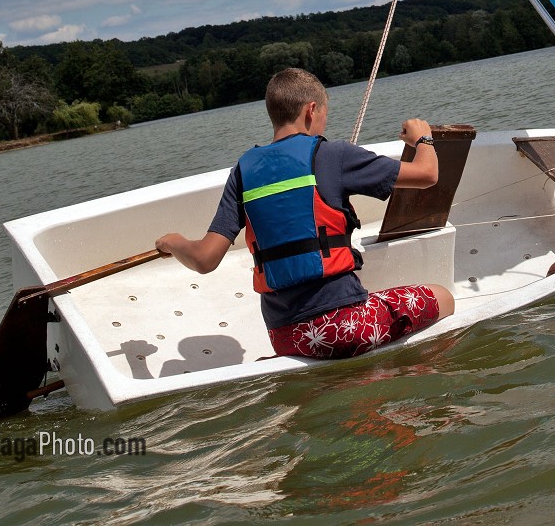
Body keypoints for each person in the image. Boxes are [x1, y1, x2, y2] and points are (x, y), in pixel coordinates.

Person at [155, 67, 455, 359]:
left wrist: (173, 241)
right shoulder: (333, 155)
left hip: (285, 337)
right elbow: (427, 174)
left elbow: (205, 259)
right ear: (311, 110)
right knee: (443, 296)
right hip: (343, 327)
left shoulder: (243, 171)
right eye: (325, 113)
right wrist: (423, 139)